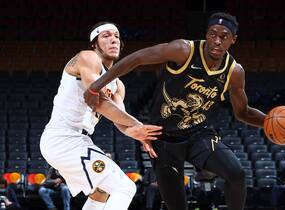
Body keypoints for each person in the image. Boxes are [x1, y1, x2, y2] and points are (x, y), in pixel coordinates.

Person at [84, 12, 266, 210]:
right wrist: (96, 86)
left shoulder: (234, 72)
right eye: (212, 34)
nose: (217, 41)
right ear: (206, 34)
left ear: (233, 40)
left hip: (198, 135)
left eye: (224, 37)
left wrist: (269, 123)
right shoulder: (184, 50)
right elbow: (138, 58)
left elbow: (243, 112)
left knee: (236, 173)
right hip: (163, 138)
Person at [40, 22, 162, 210]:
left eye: (116, 36)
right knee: (125, 187)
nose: (113, 39)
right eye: (105, 36)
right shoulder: (88, 58)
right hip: (63, 138)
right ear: (94, 44)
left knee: (102, 191)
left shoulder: (118, 85)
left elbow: (119, 121)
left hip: (78, 141)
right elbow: (98, 102)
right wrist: (138, 123)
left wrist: (138, 133)